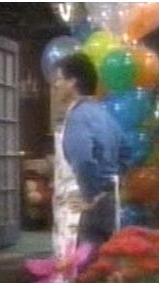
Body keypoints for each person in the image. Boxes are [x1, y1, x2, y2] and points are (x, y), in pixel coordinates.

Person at [53, 53, 129, 251]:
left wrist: (90, 196)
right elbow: (126, 152)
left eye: (59, 79)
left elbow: (83, 160)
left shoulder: (78, 117)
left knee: (81, 262)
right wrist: (108, 184)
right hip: (110, 199)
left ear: (72, 82)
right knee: (105, 260)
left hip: (82, 206)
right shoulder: (105, 114)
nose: (56, 85)